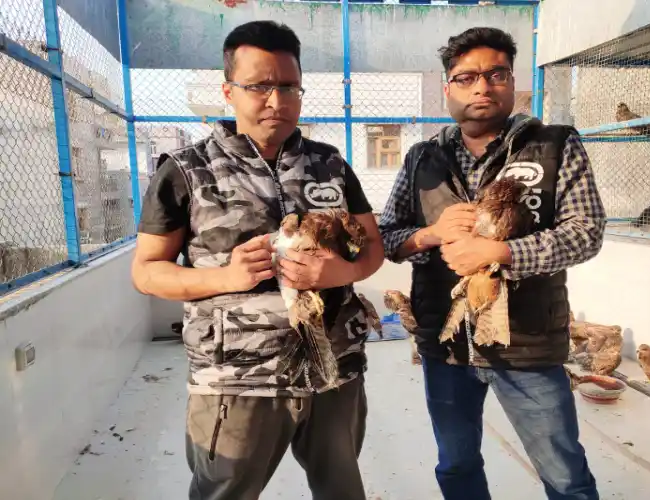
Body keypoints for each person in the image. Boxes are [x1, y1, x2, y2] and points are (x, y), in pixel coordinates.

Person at [131, 20, 384, 500]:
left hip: (334, 369)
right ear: (229, 91)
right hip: (237, 378)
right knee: (224, 492)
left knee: (342, 490)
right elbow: (146, 272)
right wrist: (228, 276)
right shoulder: (186, 170)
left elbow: (372, 246)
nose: (277, 100)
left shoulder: (330, 164)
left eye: (289, 86)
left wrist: (344, 271)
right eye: (260, 86)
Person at [378, 27, 605, 500]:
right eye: (466, 77)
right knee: (457, 465)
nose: (482, 86)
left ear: (511, 81)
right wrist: (430, 234)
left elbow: (586, 233)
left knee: (564, 474)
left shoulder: (555, 144)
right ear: (448, 88)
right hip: (445, 342)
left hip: (527, 343)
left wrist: (502, 253)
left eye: (495, 74)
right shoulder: (423, 158)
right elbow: (386, 236)